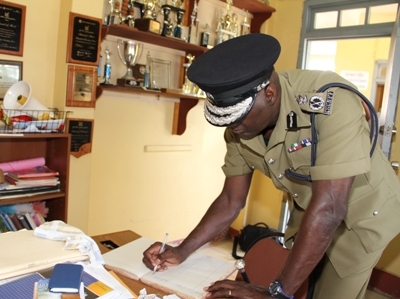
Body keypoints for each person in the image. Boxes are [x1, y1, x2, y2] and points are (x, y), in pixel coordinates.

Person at [142, 33, 400, 299]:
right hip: (313, 204)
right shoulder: (239, 130)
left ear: (270, 94)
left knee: (330, 292)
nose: (233, 127)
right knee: (299, 281)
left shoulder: (330, 103)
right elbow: (231, 199)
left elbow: (331, 208)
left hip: (364, 212)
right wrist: (182, 250)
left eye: (239, 118)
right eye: (227, 121)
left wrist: (276, 293)